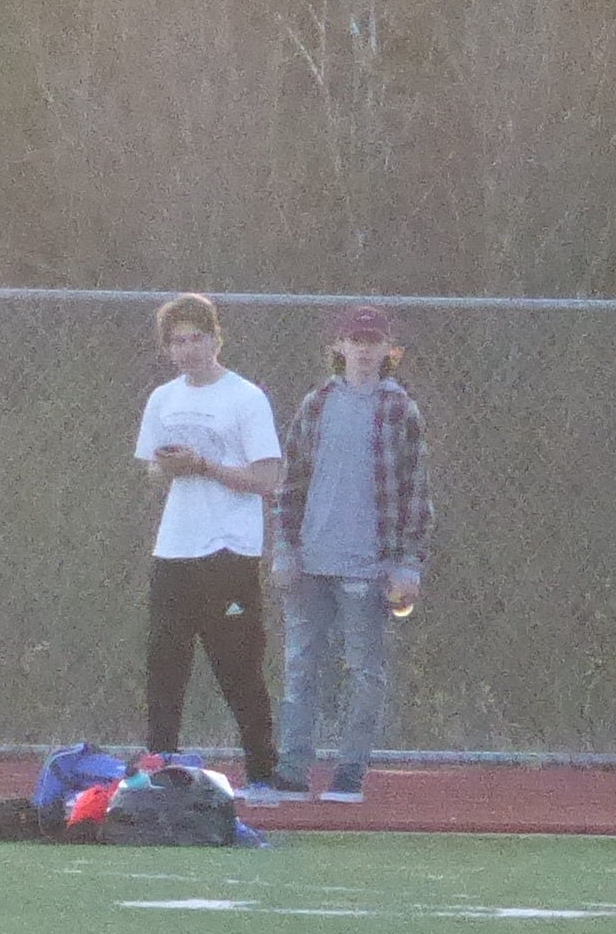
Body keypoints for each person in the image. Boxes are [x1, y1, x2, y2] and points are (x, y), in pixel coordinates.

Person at [273, 303, 431, 803]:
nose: (364, 350)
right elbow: (290, 482)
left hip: (369, 565)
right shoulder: (316, 404)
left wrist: (408, 564)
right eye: (356, 341)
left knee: (364, 670)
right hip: (311, 562)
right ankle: (293, 770)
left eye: (373, 341)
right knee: (302, 667)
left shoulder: (400, 409)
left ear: (388, 351)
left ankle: (350, 772)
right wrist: (284, 547)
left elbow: (415, 491)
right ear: (339, 347)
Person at [133, 293, 288, 796]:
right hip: (173, 549)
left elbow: (267, 478)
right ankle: (160, 773)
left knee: (238, 665)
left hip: (228, 550)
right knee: (164, 666)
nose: (188, 350)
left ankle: (262, 773)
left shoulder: (245, 398)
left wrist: (205, 466)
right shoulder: (162, 399)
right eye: (178, 342)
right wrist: (171, 466)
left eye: (197, 338)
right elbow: (152, 471)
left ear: (217, 339)